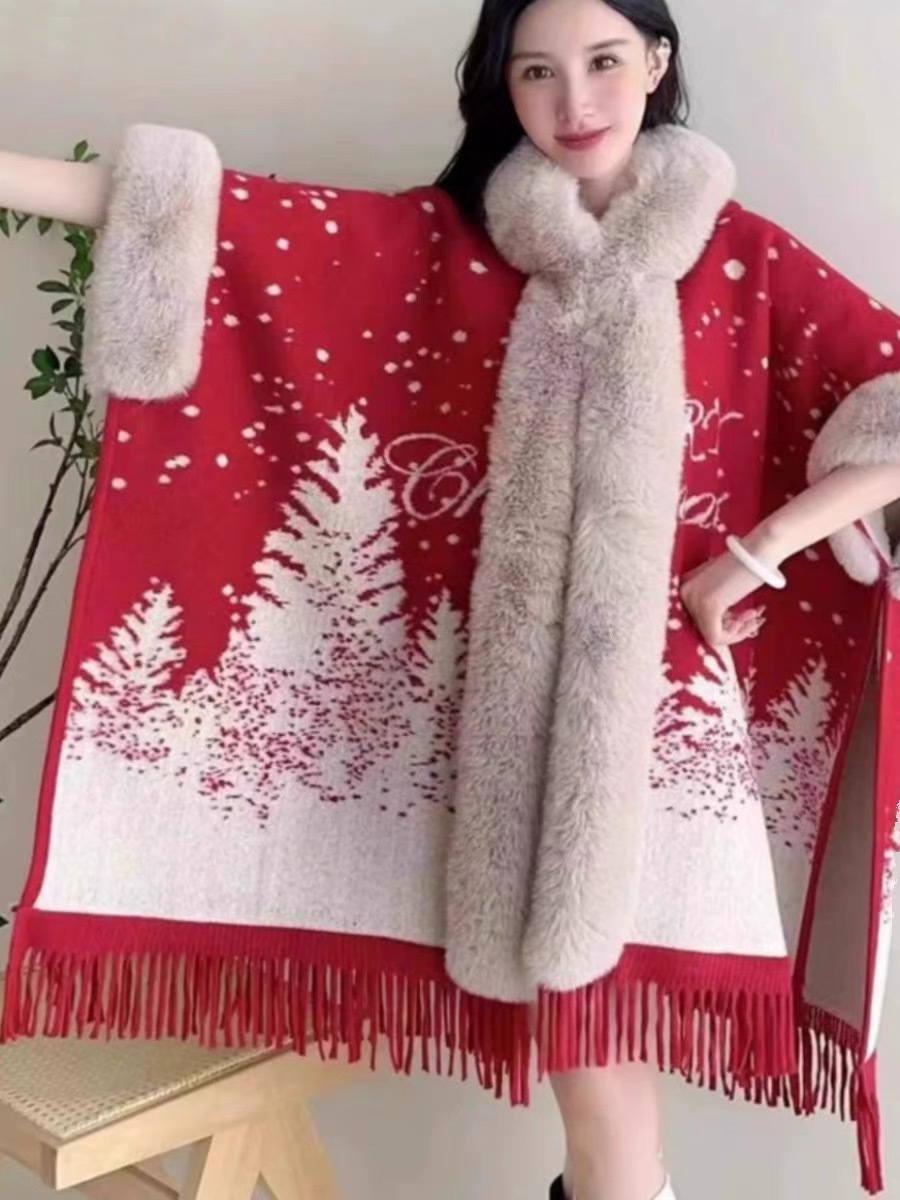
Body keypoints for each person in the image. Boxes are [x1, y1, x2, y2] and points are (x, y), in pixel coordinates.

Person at [2, 3, 899, 1200]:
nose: (574, 102)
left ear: (657, 63)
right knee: (607, 1110)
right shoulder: (449, 246)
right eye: (537, 73)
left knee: (610, 1103)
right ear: (503, 88)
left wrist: (762, 548)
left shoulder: (746, 262)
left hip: (663, 750)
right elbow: (229, 222)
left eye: (603, 62)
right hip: (499, 749)